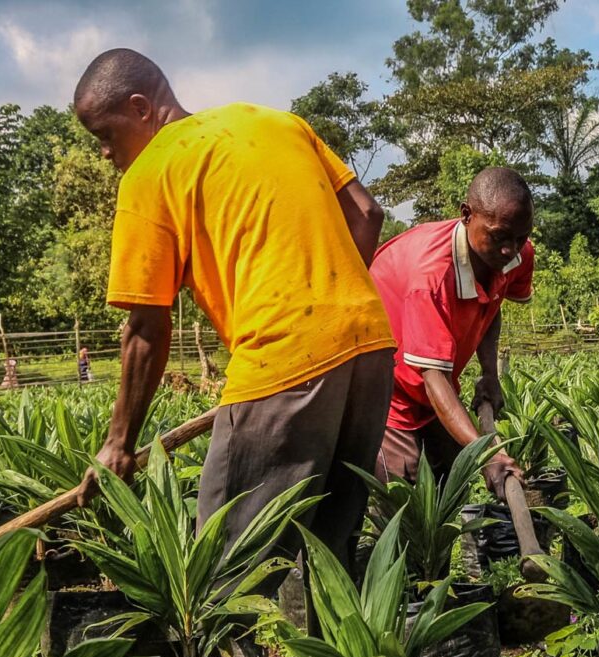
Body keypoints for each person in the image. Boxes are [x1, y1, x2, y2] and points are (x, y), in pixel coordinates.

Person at [71, 48, 395, 582]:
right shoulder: (274, 121)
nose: (105, 153)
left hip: (284, 360)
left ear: (140, 107)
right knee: (332, 559)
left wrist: (119, 445)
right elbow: (367, 213)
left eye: (105, 135)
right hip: (371, 344)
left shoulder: (150, 174)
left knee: (222, 575)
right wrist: (331, 303)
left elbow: (147, 329)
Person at [368, 166, 533, 498]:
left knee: (449, 484)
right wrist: (488, 455)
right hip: (387, 390)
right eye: (500, 236)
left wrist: (489, 373)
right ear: (466, 215)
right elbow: (433, 378)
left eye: (520, 237)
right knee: (407, 500)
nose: (510, 250)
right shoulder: (430, 277)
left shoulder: (515, 252)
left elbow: (491, 303)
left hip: (438, 384)